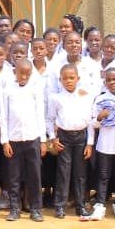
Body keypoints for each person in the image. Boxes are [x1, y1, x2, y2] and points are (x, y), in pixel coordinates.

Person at [0, 59, 47, 222]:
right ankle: (14, 208)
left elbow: (40, 114)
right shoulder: (7, 90)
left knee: (35, 174)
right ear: (15, 72)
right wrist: (5, 141)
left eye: (28, 74)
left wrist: (43, 140)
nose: (24, 77)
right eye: (21, 73)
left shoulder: (35, 89)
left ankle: (35, 208)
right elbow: (3, 117)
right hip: (13, 139)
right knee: (13, 176)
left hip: (32, 138)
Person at [46, 64, 95, 219]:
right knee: (63, 172)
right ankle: (60, 206)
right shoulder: (56, 98)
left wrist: (90, 143)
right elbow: (49, 119)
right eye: (65, 78)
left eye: (71, 78)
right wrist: (53, 138)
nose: (68, 81)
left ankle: (80, 206)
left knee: (80, 174)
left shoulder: (85, 96)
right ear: (60, 80)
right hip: (64, 138)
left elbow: (91, 121)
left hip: (81, 137)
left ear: (78, 79)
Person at [88, 67, 115, 221]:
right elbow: (92, 123)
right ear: (104, 82)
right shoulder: (100, 99)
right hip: (104, 144)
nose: (112, 82)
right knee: (103, 175)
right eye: (109, 80)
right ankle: (100, 204)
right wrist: (100, 117)